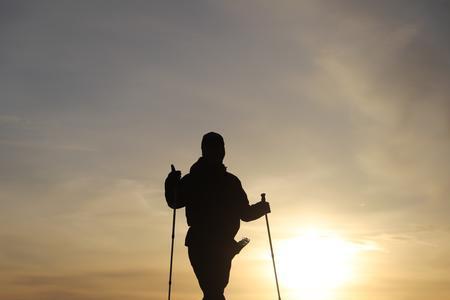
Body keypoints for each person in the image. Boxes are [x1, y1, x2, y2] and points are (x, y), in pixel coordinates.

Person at [165, 132, 271, 300]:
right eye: (214, 148)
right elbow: (175, 202)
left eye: (219, 148)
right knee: (214, 290)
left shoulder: (227, 182)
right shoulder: (199, 180)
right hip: (203, 243)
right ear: (204, 151)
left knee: (214, 291)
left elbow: (245, 213)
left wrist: (262, 208)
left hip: (219, 244)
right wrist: (171, 183)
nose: (218, 152)